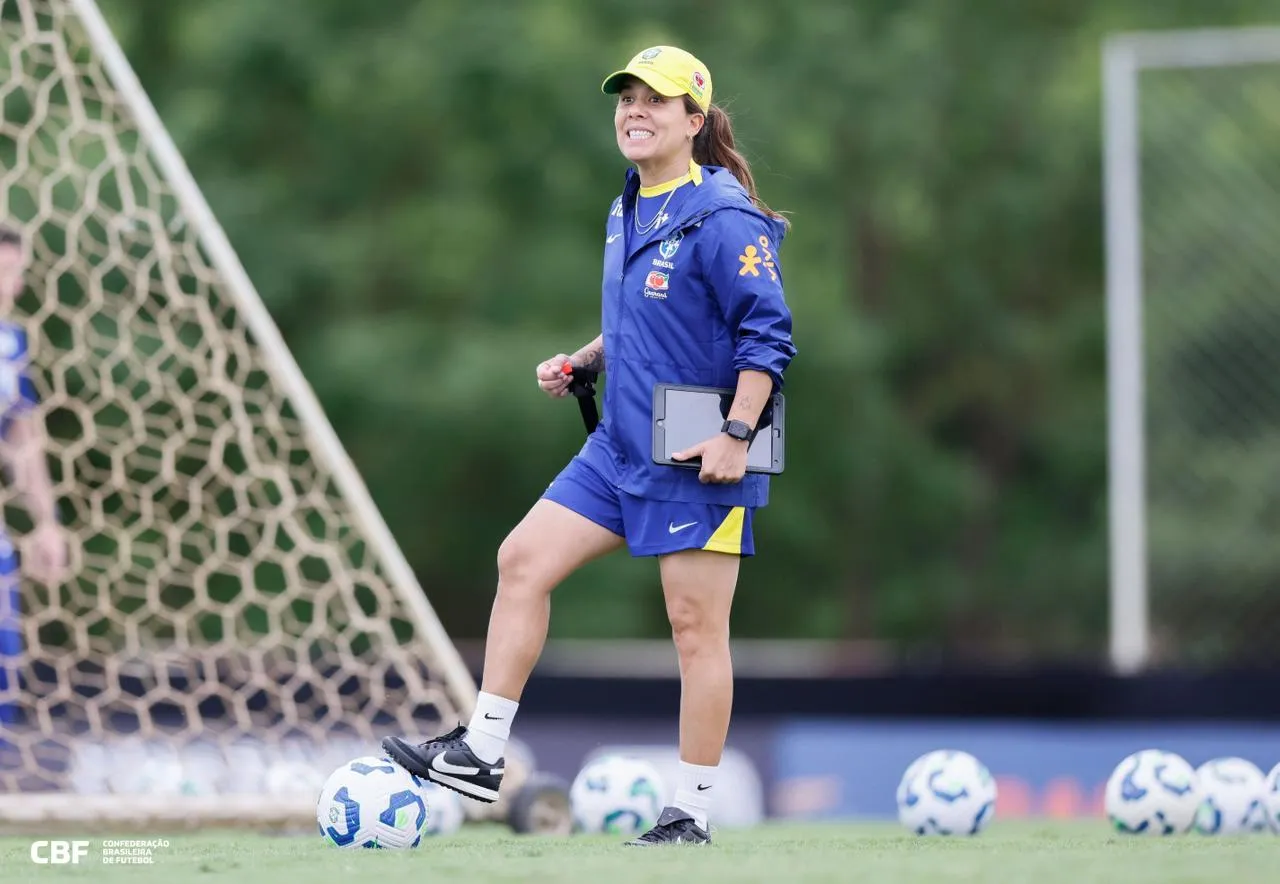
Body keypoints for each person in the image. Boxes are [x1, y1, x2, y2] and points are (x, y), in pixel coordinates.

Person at [383, 45, 795, 846]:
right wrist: (586, 360)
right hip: (619, 445)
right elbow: (644, 322)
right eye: (626, 98)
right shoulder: (627, 206)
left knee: (694, 630)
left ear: (694, 122)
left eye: (656, 100)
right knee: (522, 561)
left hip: (700, 449)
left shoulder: (724, 217)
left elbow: (768, 339)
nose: (634, 111)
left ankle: (691, 814)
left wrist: (738, 434)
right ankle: (481, 750)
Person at [0, 224, 69, 723]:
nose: (14, 285)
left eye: (17, 272)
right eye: (5, 271)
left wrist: (46, 520)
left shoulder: (11, 343)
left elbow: (22, 436)